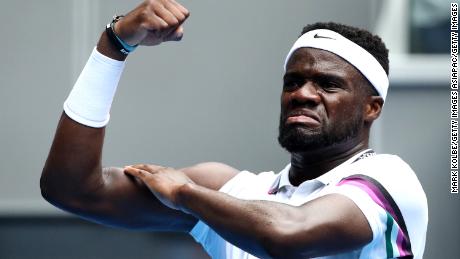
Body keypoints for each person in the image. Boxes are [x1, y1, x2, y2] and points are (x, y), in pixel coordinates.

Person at [40, 0, 428, 258]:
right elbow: (72, 189)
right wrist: (114, 45)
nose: (302, 95)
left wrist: (184, 193)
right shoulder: (234, 192)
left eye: (328, 85)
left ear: (371, 108)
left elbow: (286, 234)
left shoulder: (390, 179)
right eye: (293, 82)